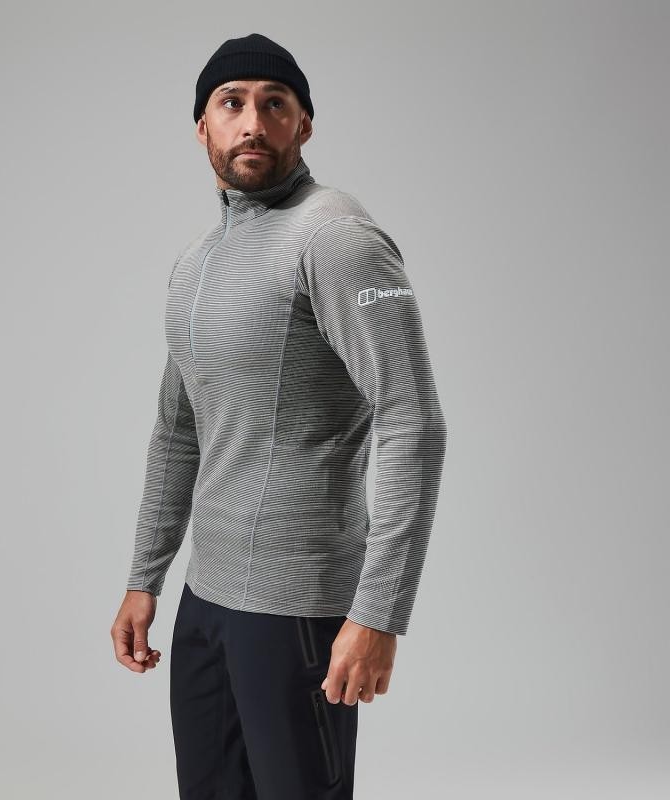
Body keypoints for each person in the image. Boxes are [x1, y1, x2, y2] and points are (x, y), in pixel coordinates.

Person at [110, 32, 448, 799]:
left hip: (299, 610)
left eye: (275, 104)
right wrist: (144, 577)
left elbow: (413, 421)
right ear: (203, 125)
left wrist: (379, 613)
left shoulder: (334, 236)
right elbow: (178, 430)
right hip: (206, 604)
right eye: (232, 104)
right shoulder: (195, 263)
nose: (253, 122)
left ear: (304, 124)